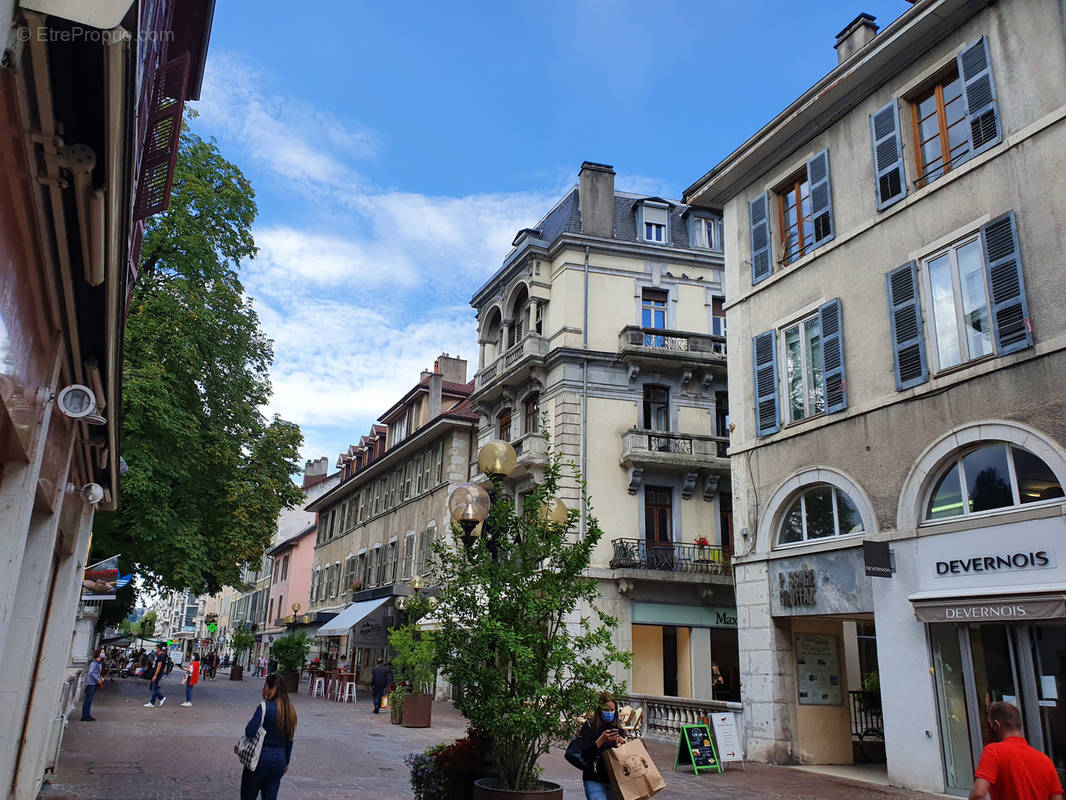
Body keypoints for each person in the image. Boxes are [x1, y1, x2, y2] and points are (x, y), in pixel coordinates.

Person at [969, 701, 1063, 800]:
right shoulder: (1046, 761)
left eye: (989, 726)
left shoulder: (993, 751)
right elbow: (1057, 798)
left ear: (996, 725)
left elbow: (978, 795)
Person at [241, 673, 297, 800]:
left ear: (272, 689)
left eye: (265, 685)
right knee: (270, 796)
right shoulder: (290, 710)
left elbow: (250, 731)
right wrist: (286, 761)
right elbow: (290, 739)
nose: (263, 689)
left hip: (259, 759)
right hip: (279, 760)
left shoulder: (264, 707)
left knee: (248, 794)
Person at [578, 692, 623, 800]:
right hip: (594, 778)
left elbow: (621, 757)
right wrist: (600, 741)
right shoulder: (590, 727)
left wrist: (621, 745)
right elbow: (584, 754)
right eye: (606, 710)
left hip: (614, 779)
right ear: (599, 710)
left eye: (612, 710)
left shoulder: (618, 728)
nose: (610, 713)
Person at [81, 649, 104, 721]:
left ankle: (87, 715)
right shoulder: (94, 663)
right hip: (91, 683)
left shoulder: (99, 663)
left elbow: (97, 672)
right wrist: (98, 679)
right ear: (98, 654)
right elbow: (91, 673)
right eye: (102, 652)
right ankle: (85, 716)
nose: (103, 654)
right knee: (88, 699)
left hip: (94, 683)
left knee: (90, 699)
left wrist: (100, 678)